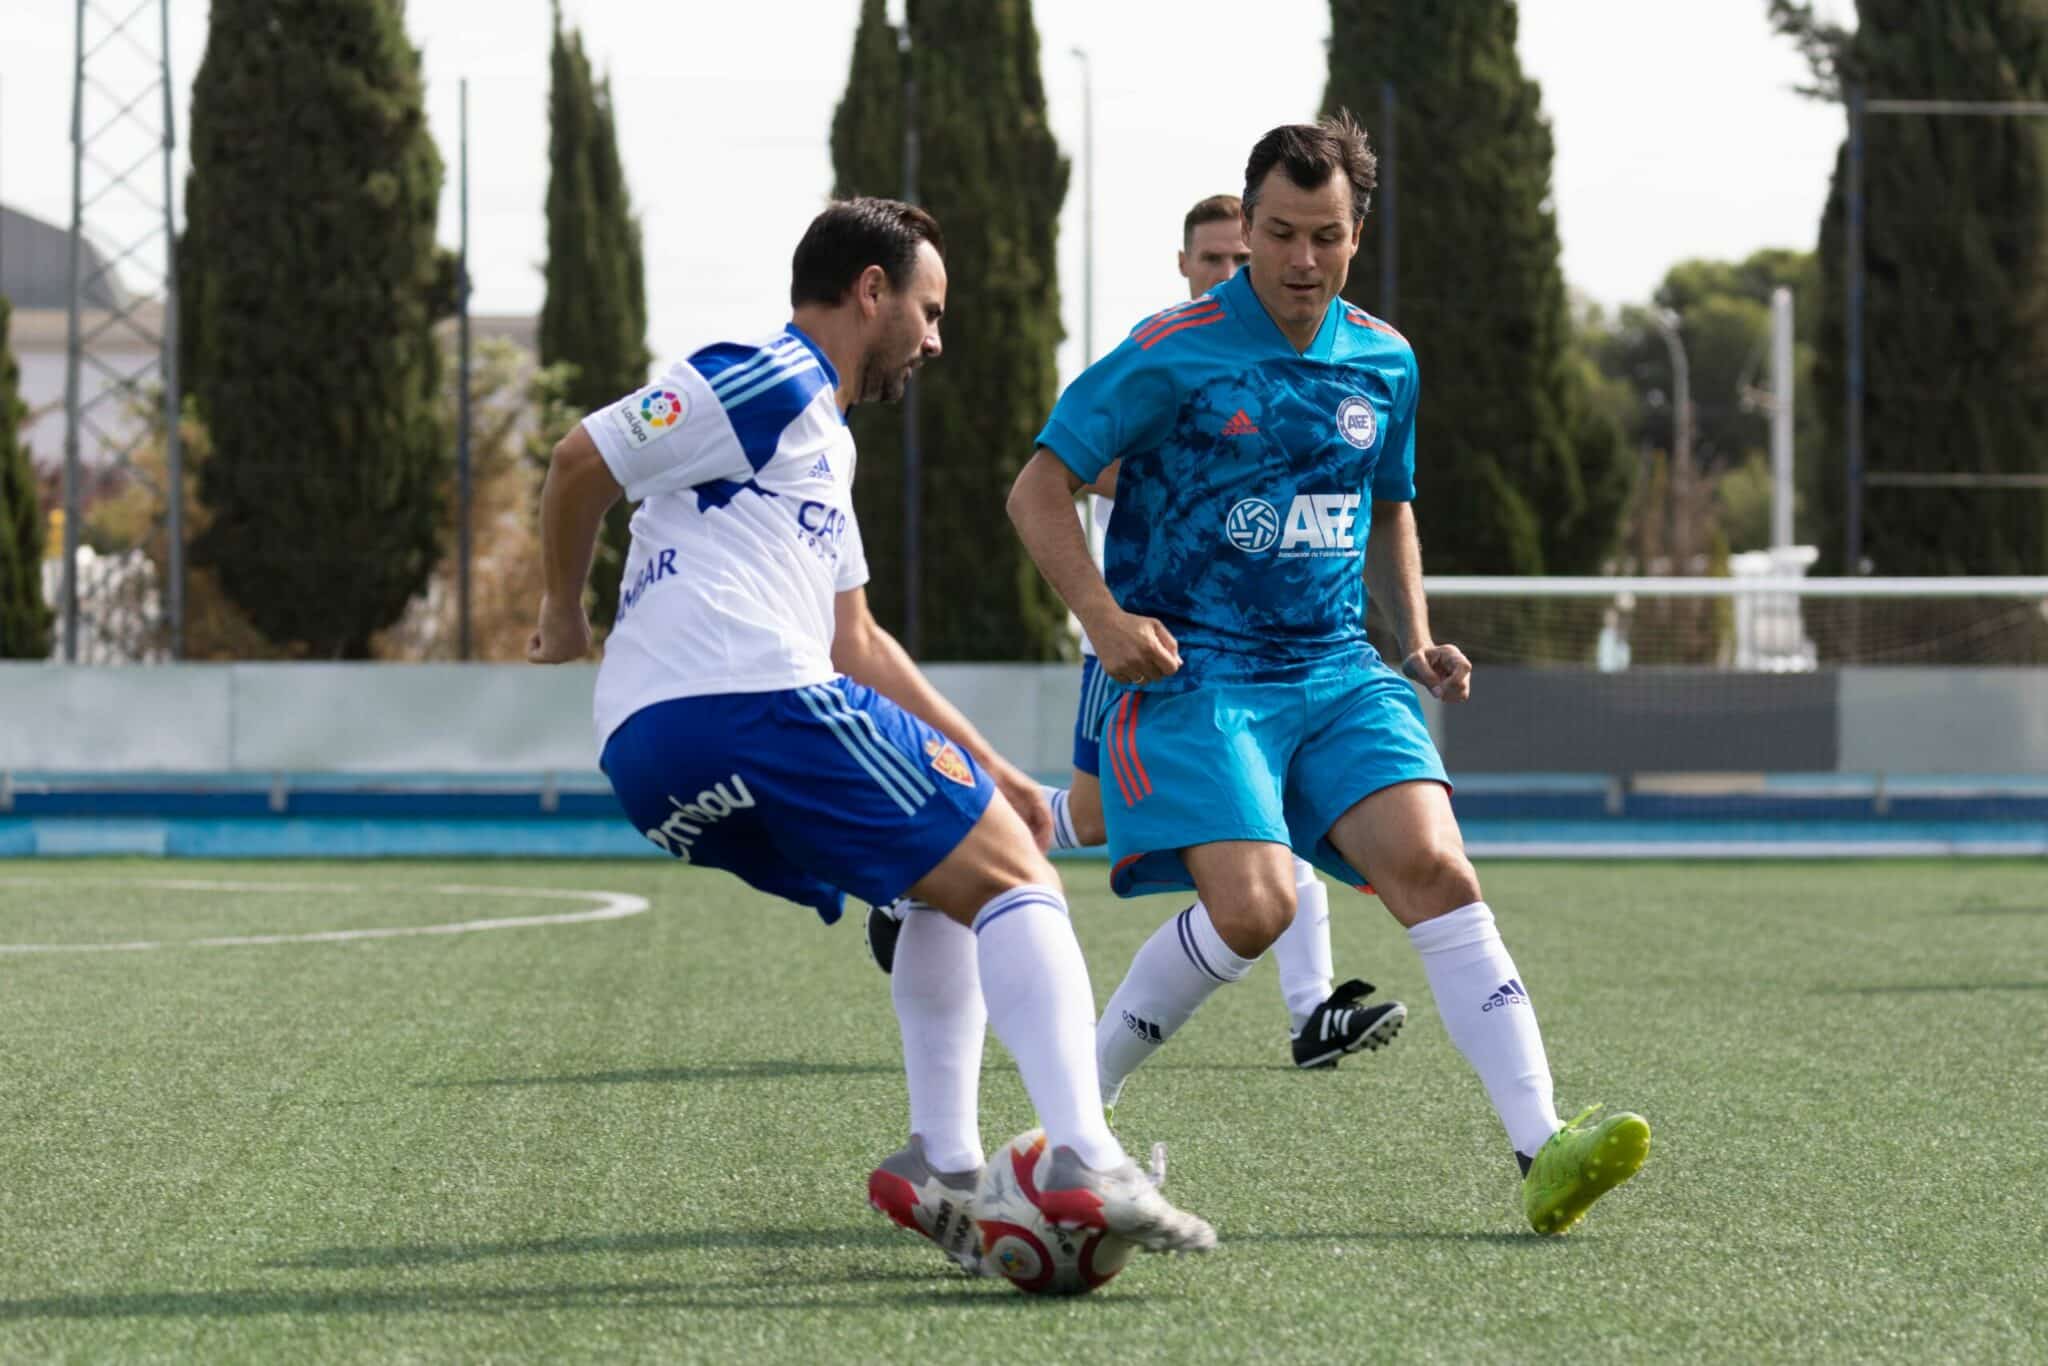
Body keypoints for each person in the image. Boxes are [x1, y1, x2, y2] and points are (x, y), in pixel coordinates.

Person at [528, 197, 1216, 1270]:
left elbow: (856, 641)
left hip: (655, 760)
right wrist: (562, 609)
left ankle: (938, 1162)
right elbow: (580, 458)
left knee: (934, 875)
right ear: (869, 291)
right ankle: (1082, 1152)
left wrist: (995, 771)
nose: (935, 341)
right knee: (1014, 876)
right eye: (928, 311)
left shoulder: (819, 447)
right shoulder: (775, 376)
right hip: (741, 702)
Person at [1005, 118, 1650, 1235]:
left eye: (1326, 237)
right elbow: (1036, 486)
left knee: (1436, 869)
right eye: (1277, 234)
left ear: (1358, 234)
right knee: (1251, 912)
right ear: (1244, 228)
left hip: (1335, 668)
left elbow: (1388, 503)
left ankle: (1541, 1150)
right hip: (1197, 673)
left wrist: (1413, 637)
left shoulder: (1383, 357)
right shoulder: (1170, 348)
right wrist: (1102, 617)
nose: (1300, 260)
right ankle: (1072, 1120)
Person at [869, 194, 1405, 1088]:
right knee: (1083, 816)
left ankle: (1310, 1008)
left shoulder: (1309, 352)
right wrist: (1206, 468)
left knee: (1255, 810)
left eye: (1245, 255)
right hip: (1139, 630)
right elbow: (1075, 465)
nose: (1235, 273)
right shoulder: (1170, 347)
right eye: (1216, 259)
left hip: (1251, 647)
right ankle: (925, 861)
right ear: (1186, 264)